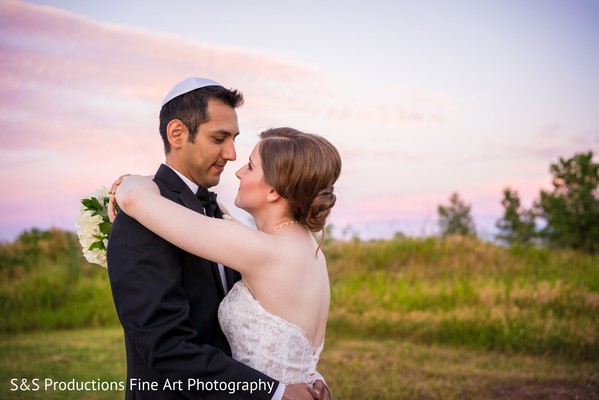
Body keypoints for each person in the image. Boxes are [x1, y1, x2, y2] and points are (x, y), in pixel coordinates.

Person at [106, 78, 331, 400]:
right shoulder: (147, 219)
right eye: (219, 138)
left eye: (236, 141)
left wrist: (130, 185)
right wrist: (279, 390)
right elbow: (166, 346)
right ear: (177, 134)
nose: (232, 156)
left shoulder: (223, 223)